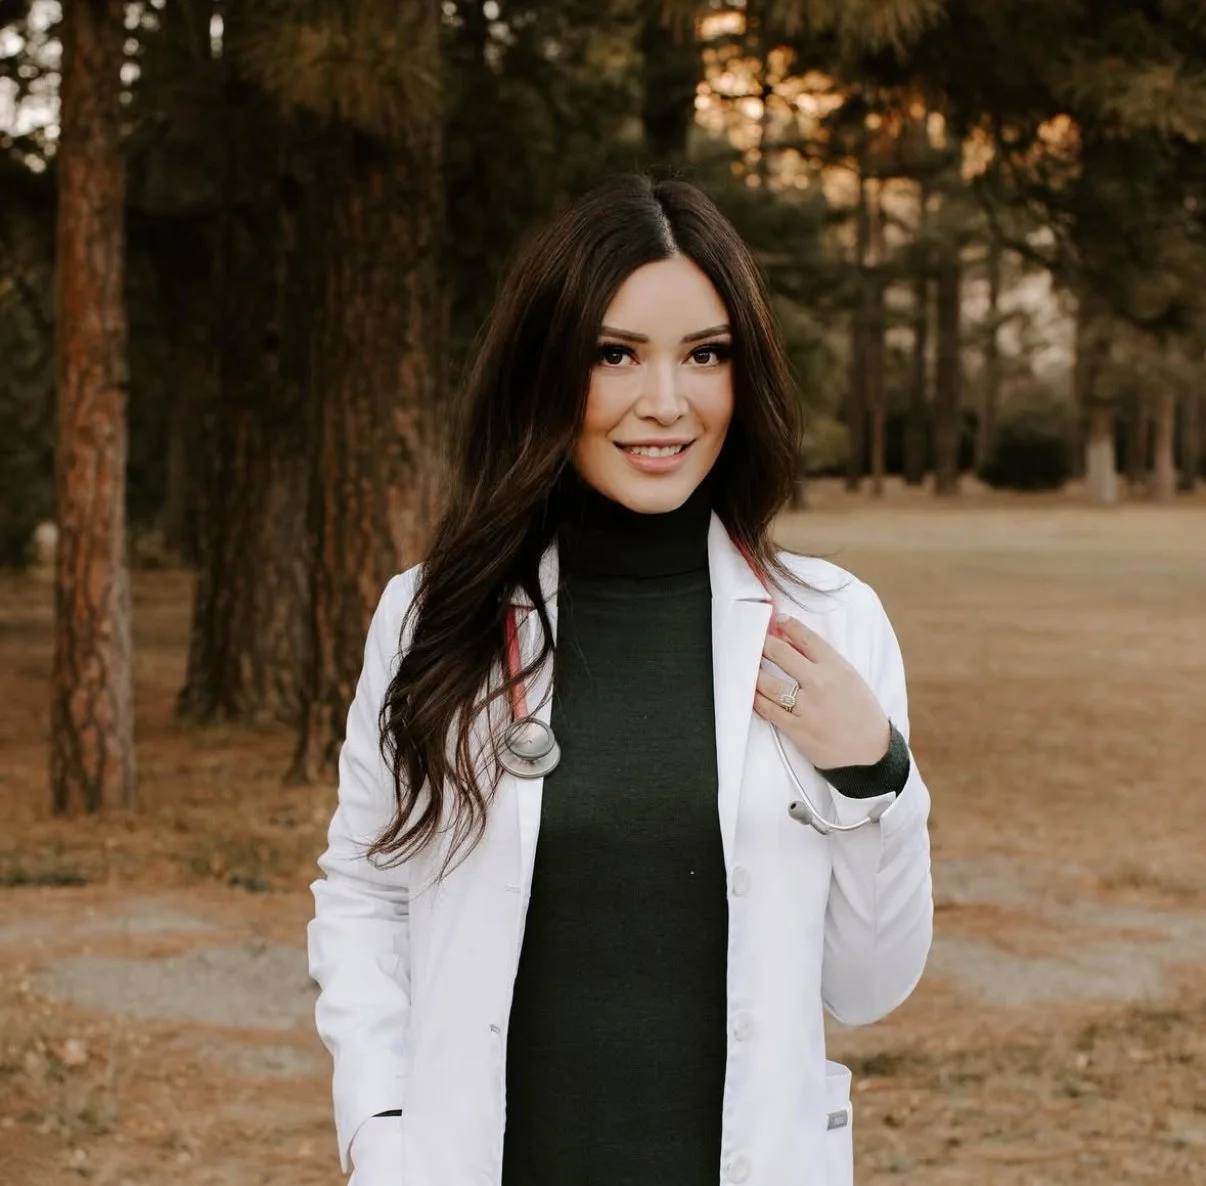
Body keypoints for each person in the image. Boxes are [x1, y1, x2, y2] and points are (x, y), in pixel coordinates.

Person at [307, 173, 933, 1186]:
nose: (665, 404)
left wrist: (877, 774)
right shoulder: (433, 615)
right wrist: (382, 1125)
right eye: (615, 354)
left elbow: (867, 987)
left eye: (705, 355)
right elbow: (366, 892)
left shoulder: (831, 623)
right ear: (549, 365)